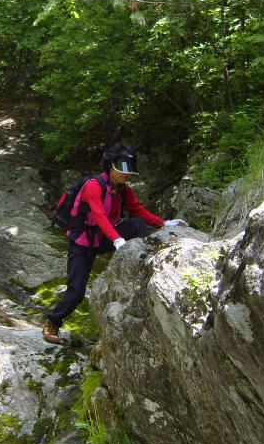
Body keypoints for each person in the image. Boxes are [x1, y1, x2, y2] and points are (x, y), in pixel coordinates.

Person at [43, 142, 188, 345]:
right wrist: (117, 239)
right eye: (122, 168)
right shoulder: (93, 186)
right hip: (82, 242)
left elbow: (138, 211)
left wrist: (165, 223)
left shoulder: (122, 190)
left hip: (103, 238)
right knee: (76, 290)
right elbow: (99, 215)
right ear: (109, 165)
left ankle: (148, 260)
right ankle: (52, 321)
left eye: (129, 170)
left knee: (137, 224)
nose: (126, 174)